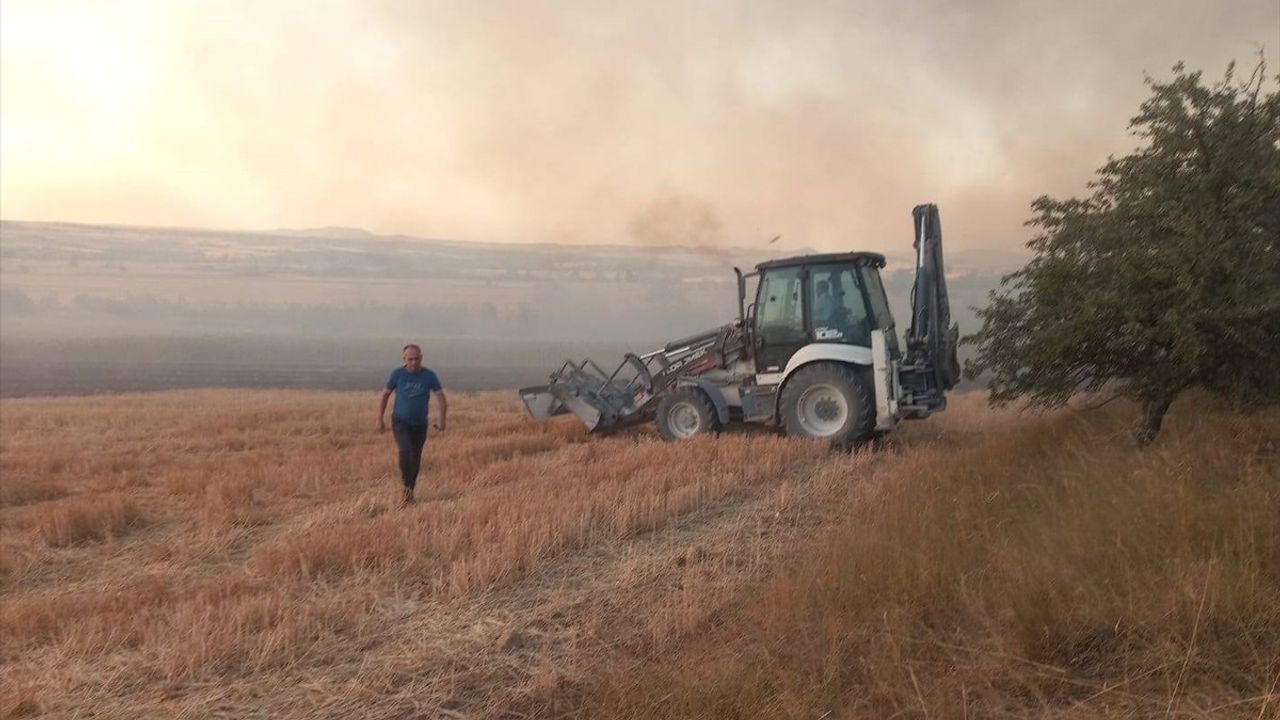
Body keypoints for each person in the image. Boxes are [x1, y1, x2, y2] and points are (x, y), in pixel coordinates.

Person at [377, 344, 447, 505]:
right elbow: (385, 395)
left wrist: (442, 420)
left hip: (420, 424)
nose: (414, 362)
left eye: (416, 359)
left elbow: (441, 397)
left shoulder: (429, 376)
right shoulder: (397, 374)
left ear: (421, 358)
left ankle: (409, 492)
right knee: (405, 450)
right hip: (401, 421)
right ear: (404, 359)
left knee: (415, 458)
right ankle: (406, 487)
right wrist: (379, 418)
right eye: (410, 359)